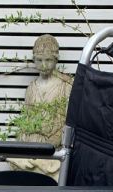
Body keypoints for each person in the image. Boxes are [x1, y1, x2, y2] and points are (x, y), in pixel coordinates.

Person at [9, 35, 73, 180]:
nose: (44, 65)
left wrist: (51, 143)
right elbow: (26, 121)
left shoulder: (65, 86)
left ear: (56, 59)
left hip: (53, 149)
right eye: (39, 60)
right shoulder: (31, 88)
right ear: (34, 60)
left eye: (48, 60)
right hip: (31, 146)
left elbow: (68, 124)